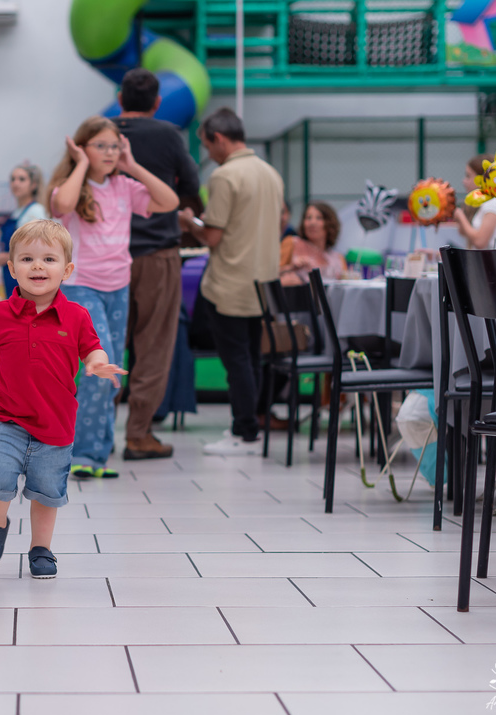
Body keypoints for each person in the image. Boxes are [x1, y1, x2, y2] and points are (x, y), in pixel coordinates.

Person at [0, 219, 125, 578]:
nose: (38, 267)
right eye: (27, 259)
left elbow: (91, 349)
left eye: (49, 259)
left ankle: (41, 548)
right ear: (12, 269)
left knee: (46, 493)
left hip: (56, 424)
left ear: (67, 270)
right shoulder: (0, 313)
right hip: (8, 419)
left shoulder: (76, 316)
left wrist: (98, 364)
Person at [47, 116, 178, 478]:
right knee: (97, 365)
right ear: (82, 148)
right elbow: (62, 206)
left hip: (118, 287)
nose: (109, 152)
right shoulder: (70, 185)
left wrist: (133, 165)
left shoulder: (125, 186)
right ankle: (84, 452)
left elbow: (169, 201)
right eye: (100, 146)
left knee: (109, 372)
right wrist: (82, 165)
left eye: (114, 146)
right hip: (80, 287)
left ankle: (96, 454)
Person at [178, 108, 283, 454]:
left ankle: (244, 432)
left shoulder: (224, 177)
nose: (208, 154)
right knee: (252, 358)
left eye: (208, 145)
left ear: (220, 139)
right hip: (264, 281)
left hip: (229, 284)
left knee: (236, 361)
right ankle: (250, 425)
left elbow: (212, 237)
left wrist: (190, 221)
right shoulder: (271, 174)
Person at [112, 68, 201, 461]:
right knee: (153, 346)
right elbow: (193, 185)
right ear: (158, 102)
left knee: (105, 346)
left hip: (108, 256)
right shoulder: (168, 134)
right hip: (158, 254)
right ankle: (139, 435)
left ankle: (91, 435)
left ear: (119, 100)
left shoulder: (103, 135)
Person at [0, 162, 47, 295]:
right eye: (13, 179)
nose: (16, 183)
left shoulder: (36, 211)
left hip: (29, 278)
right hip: (11, 275)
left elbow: (38, 248)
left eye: (22, 179)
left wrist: (4, 257)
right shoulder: (16, 213)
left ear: (33, 185)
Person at [455, 154, 496, 249]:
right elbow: (463, 232)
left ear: (482, 178)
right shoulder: (486, 202)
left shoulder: (493, 202)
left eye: (468, 176)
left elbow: (480, 242)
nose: (464, 181)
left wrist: (459, 215)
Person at [279, 201, 347, 285]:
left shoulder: (338, 258)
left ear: (330, 223)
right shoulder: (292, 243)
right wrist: (291, 267)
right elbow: (272, 275)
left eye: (319, 218)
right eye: (308, 218)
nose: (312, 223)